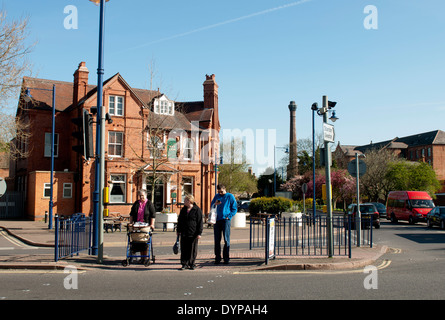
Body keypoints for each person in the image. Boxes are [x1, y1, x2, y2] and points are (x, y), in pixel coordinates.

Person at [210, 184, 237, 264]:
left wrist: (229, 216)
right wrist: (215, 204)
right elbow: (212, 206)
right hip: (217, 220)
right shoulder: (216, 196)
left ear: (224, 189)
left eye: (221, 191)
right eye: (219, 191)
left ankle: (226, 258)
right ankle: (217, 257)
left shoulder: (230, 196)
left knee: (226, 239)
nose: (220, 193)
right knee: (217, 240)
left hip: (225, 220)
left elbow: (234, 208)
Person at [177, 195, 203, 270]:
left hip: (193, 232)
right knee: (184, 248)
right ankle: (184, 263)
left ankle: (192, 263)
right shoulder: (183, 210)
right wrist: (178, 230)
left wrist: (199, 233)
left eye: (185, 200)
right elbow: (180, 220)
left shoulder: (197, 209)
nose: (184, 202)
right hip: (184, 232)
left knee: (192, 248)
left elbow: (200, 222)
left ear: (189, 201)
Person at [129, 189, 156, 262]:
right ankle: (142, 257)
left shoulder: (149, 203)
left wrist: (152, 224)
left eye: (142, 196)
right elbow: (131, 214)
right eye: (140, 196)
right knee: (138, 240)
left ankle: (145, 257)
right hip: (137, 224)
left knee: (144, 240)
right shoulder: (136, 203)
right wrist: (131, 223)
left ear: (146, 195)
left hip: (145, 225)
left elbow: (153, 215)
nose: (141, 197)